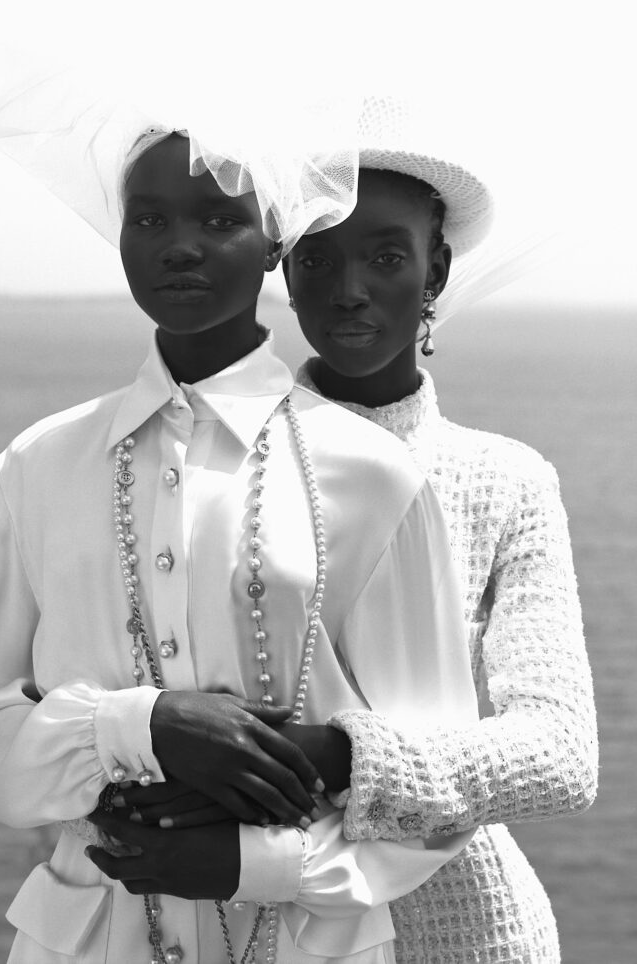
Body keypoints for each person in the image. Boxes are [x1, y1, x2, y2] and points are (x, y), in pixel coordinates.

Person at [0, 117, 483, 964]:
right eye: (149, 219)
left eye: (220, 220)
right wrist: (144, 726)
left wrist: (256, 863)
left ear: (275, 243)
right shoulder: (37, 467)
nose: (180, 246)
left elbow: (439, 776)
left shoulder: (372, 476)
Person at [281, 97, 598, 962]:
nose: (349, 289)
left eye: (387, 257)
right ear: (285, 271)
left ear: (437, 270)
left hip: (470, 931)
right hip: (260, 918)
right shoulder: (224, 462)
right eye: (317, 256)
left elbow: (563, 754)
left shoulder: (506, 480)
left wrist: (338, 761)